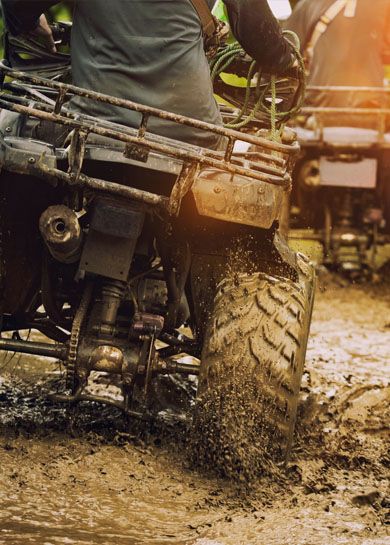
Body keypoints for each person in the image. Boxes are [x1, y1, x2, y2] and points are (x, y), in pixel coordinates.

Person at [1, 0, 295, 148]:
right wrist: (286, 59)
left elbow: (16, 6)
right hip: (194, 133)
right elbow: (259, 36)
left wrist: (33, 23)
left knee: (10, 126)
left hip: (97, 126)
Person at [285, 0, 390, 125]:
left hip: (315, 116)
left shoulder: (307, 4)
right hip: (372, 117)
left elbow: (285, 59)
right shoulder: (384, 5)